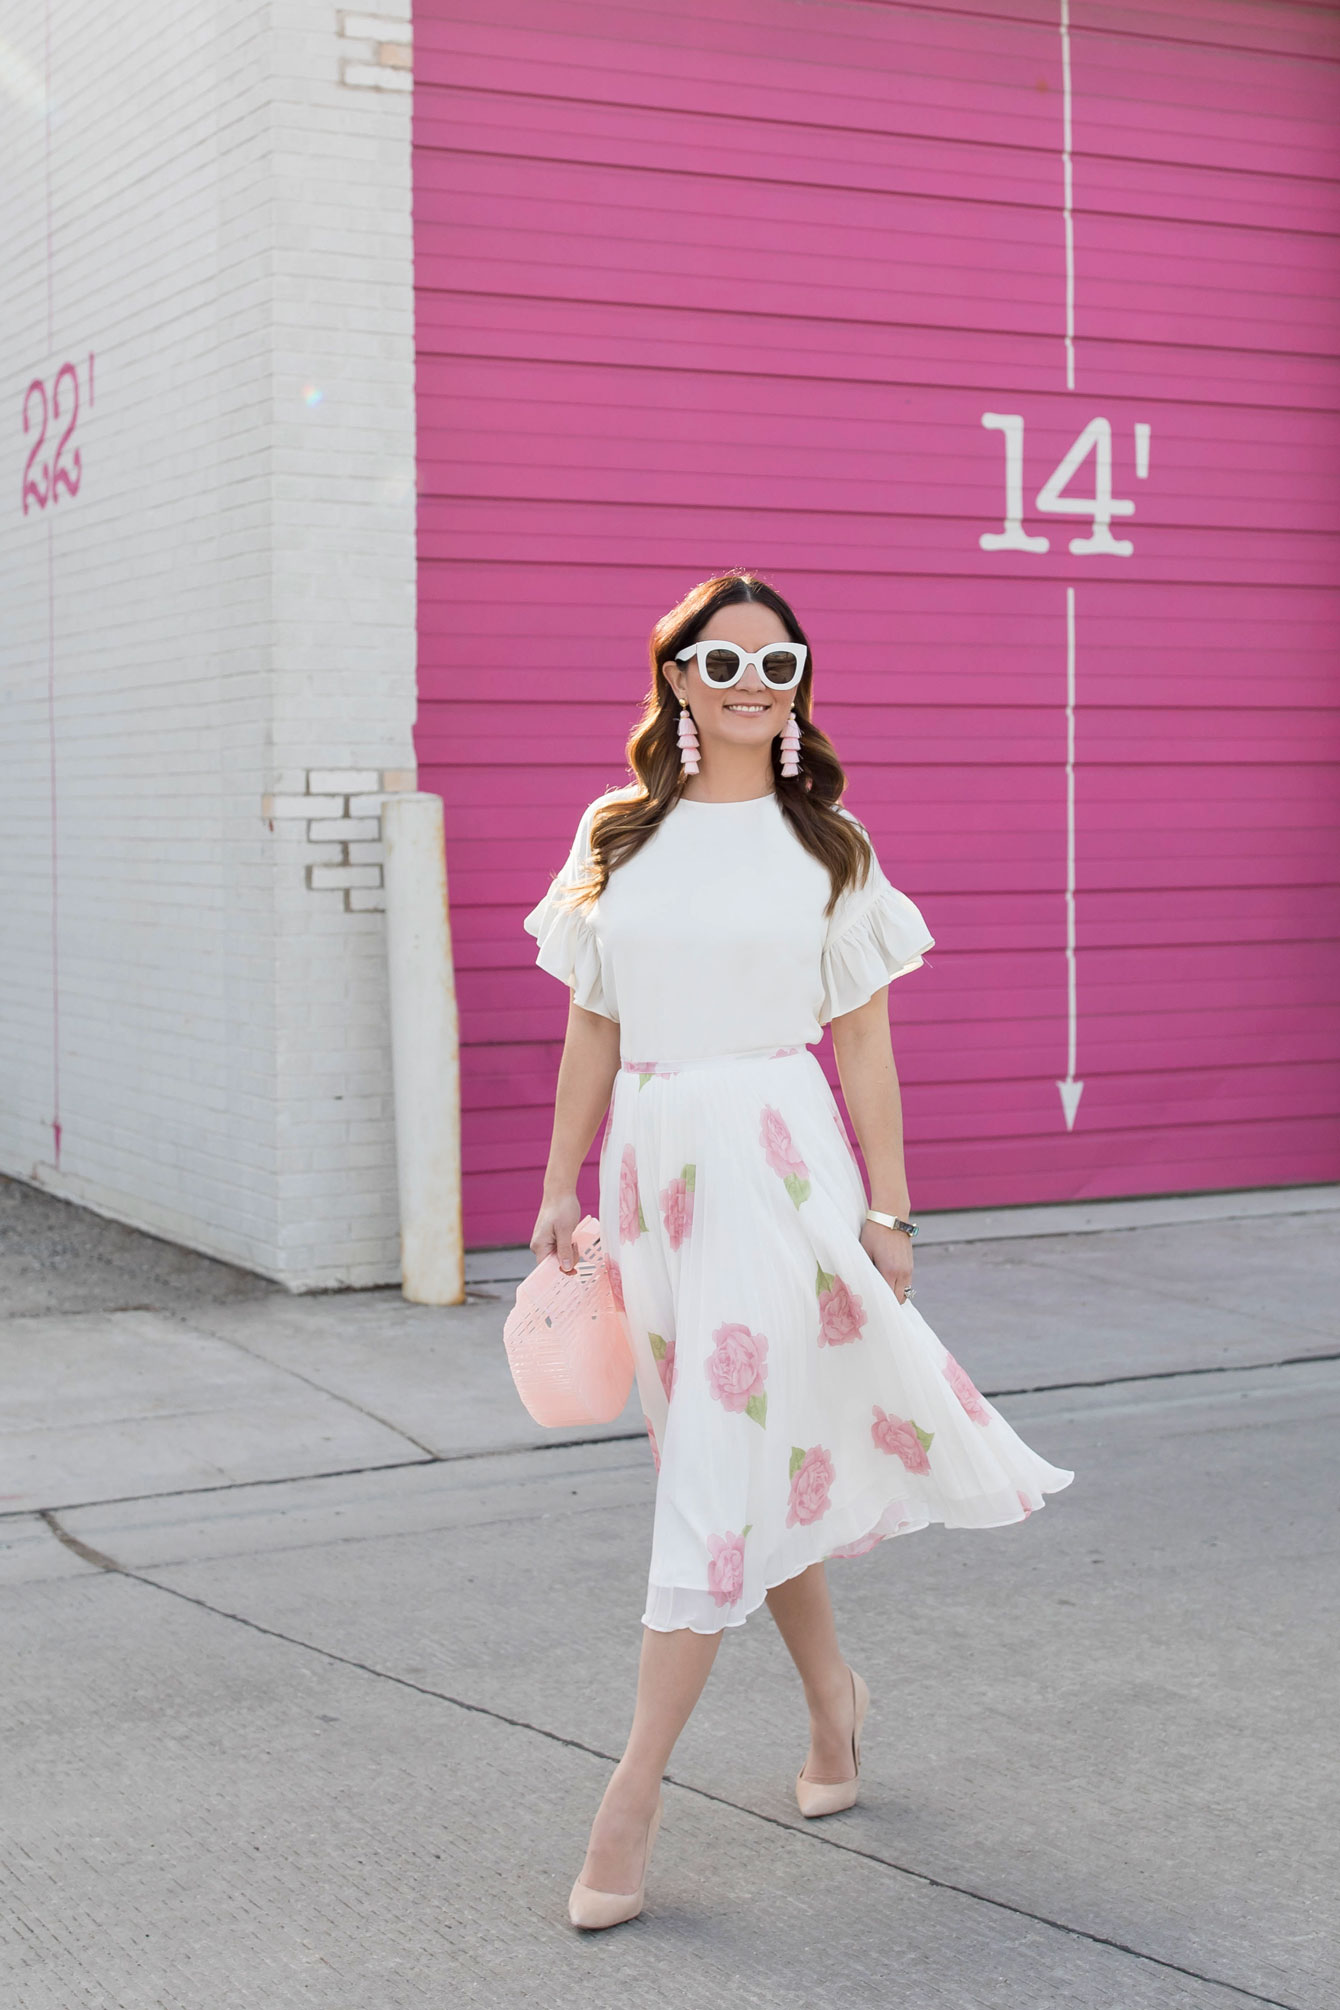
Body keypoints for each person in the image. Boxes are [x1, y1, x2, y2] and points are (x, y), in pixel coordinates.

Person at [523, 571, 1074, 1930]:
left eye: (780, 665)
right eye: (723, 663)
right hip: (655, 1181)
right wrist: (557, 1184)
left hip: (774, 1159)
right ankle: (834, 1699)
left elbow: (867, 1041)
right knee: (736, 1449)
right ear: (677, 681)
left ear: (799, 689)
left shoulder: (826, 842)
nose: (753, 686)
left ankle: (632, 1795)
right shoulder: (616, 833)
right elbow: (593, 1021)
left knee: (715, 1464)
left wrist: (890, 1210)